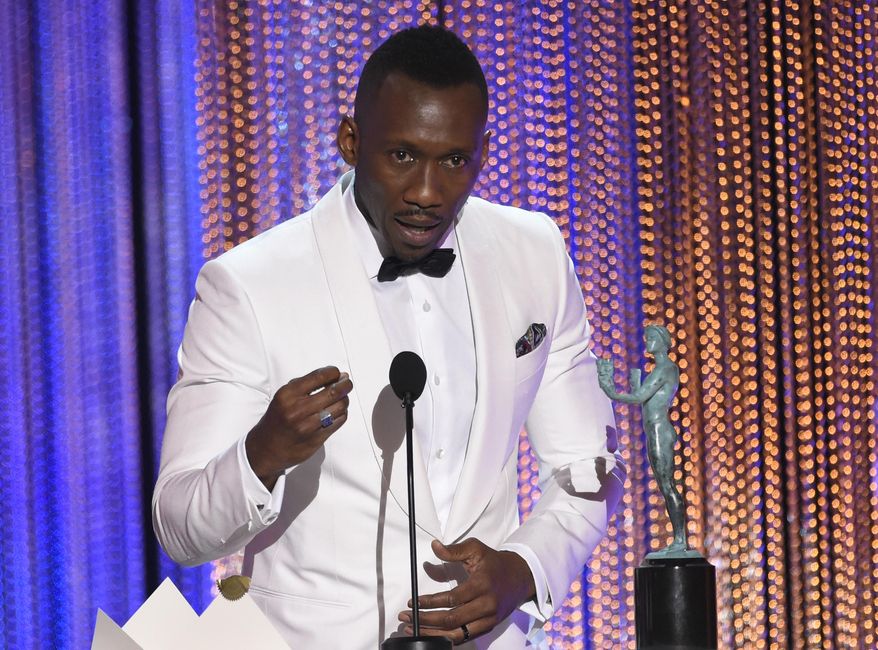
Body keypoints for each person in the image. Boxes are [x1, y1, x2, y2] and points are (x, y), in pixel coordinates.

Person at [153, 25, 625, 648]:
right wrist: (262, 453)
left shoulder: (533, 251)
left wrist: (524, 570)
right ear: (350, 141)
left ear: (482, 151)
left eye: (454, 161)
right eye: (401, 156)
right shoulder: (247, 285)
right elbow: (180, 527)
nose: (427, 193)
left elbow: (587, 471)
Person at [596, 325, 688, 554]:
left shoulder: (666, 369)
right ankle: (678, 539)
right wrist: (634, 381)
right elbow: (643, 396)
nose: (647, 341)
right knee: (665, 485)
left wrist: (610, 389)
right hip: (654, 430)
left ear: (662, 341)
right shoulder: (658, 370)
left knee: (668, 486)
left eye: (651, 338)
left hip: (660, 430)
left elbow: (639, 397)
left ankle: (681, 540)